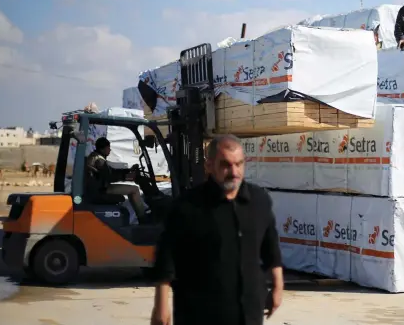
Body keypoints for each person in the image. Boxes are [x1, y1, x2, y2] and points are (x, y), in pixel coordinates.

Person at [150, 134, 284, 325]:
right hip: (201, 313)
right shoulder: (188, 207)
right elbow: (167, 256)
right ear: (209, 165)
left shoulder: (259, 201)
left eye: (239, 164)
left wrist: (278, 286)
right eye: (226, 165)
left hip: (248, 313)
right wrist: (161, 305)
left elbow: (271, 247)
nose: (234, 171)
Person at [85, 137, 148, 223]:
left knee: (133, 189)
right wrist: (125, 177)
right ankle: (143, 218)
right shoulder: (99, 161)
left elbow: (111, 171)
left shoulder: (96, 156)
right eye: (108, 148)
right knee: (135, 189)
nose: (110, 150)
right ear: (102, 149)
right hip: (101, 190)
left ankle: (141, 216)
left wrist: (128, 170)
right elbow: (109, 177)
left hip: (100, 187)